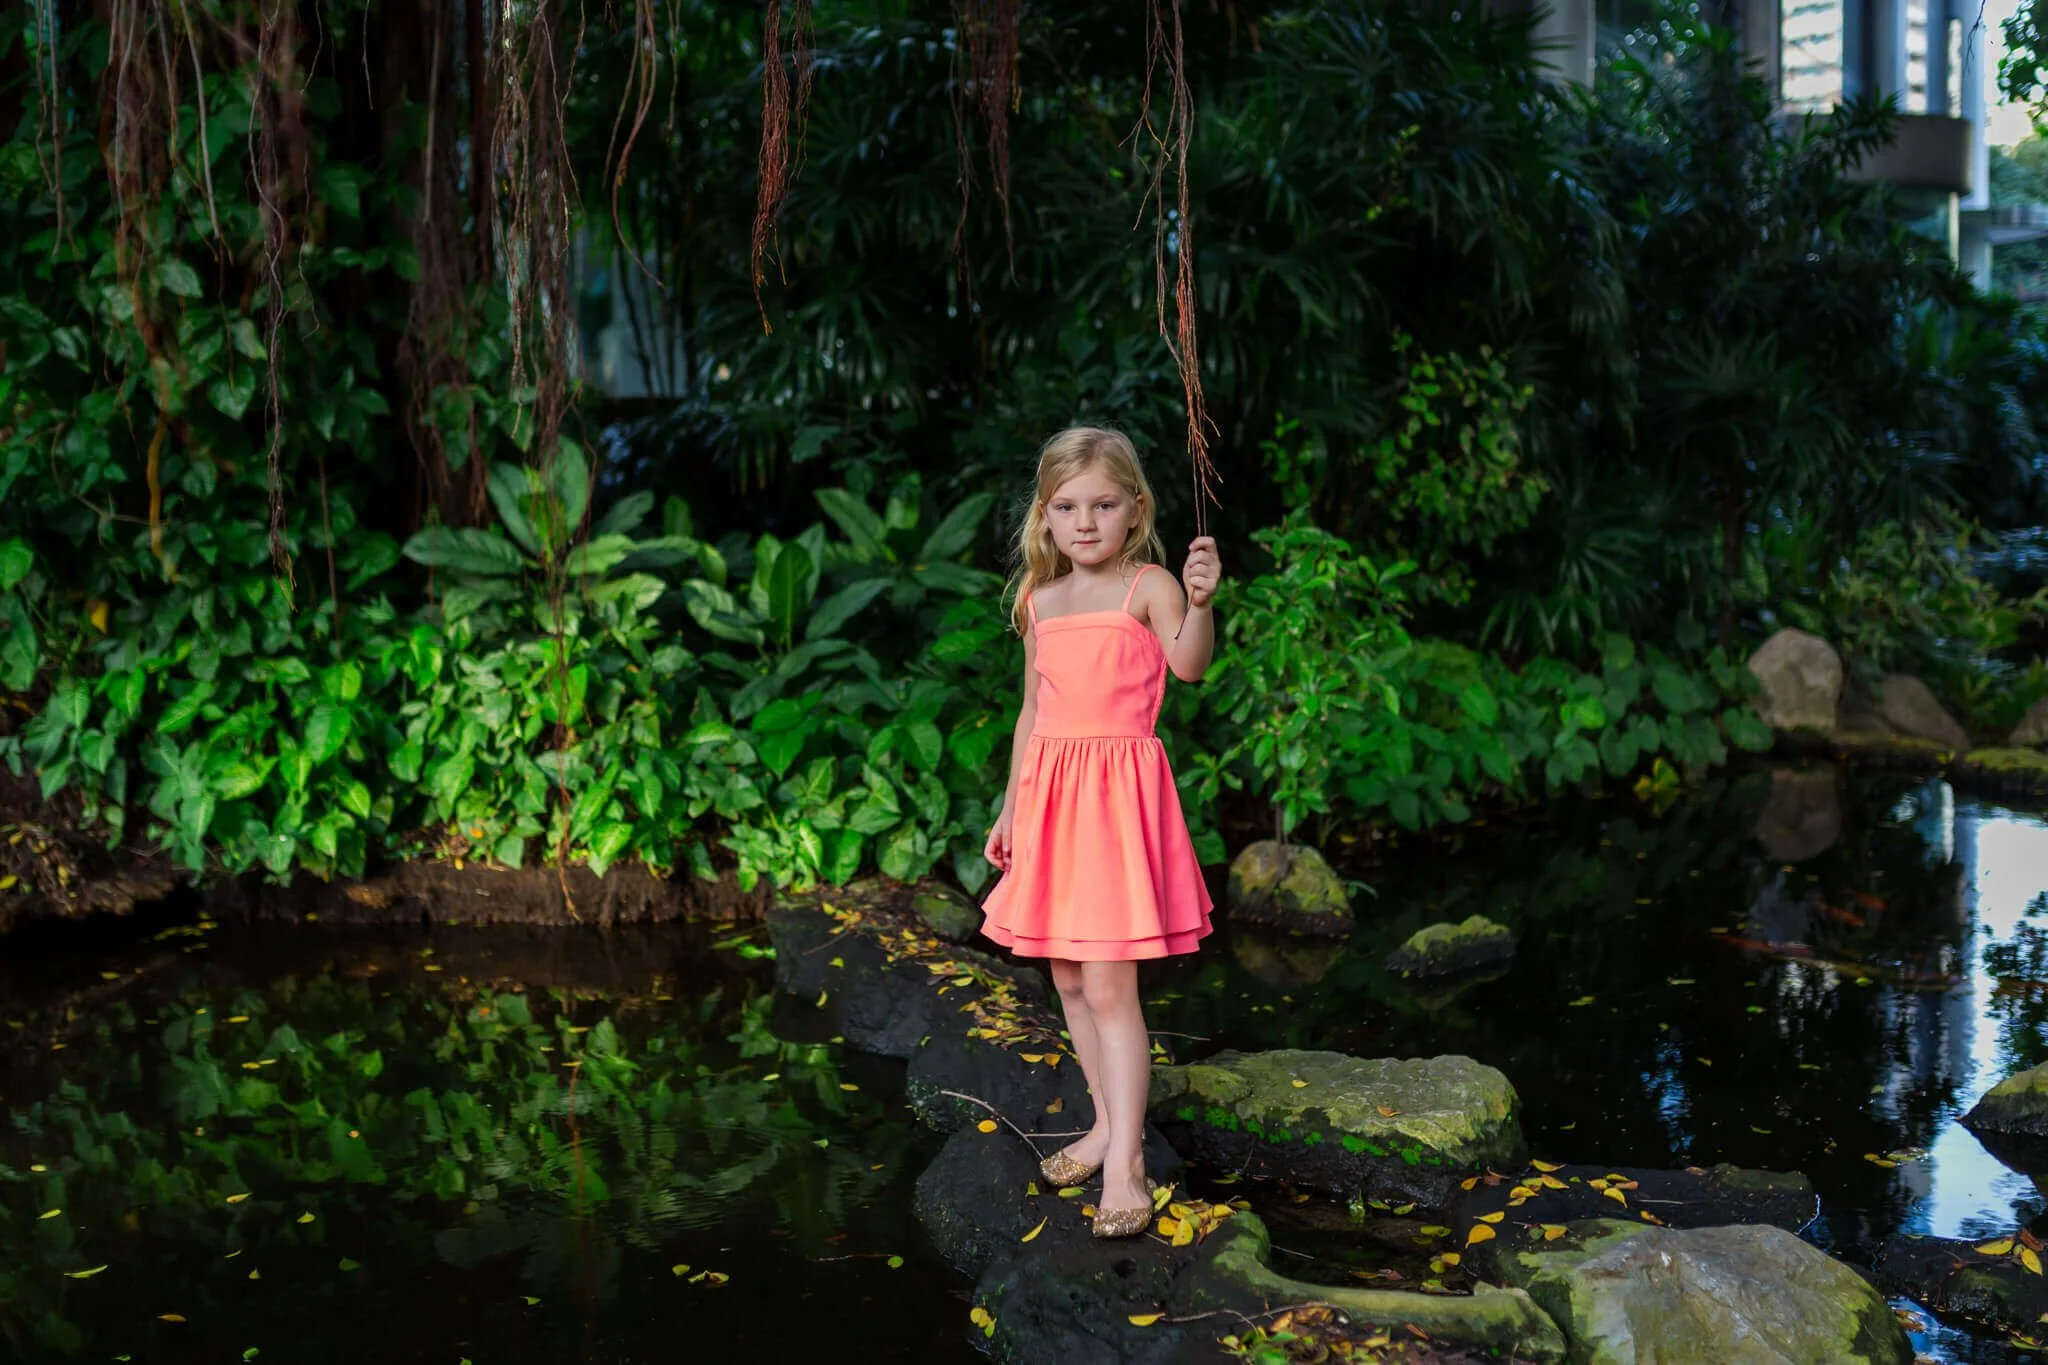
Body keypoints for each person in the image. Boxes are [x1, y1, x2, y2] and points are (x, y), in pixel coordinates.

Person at [980, 425, 1221, 1239]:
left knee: (1112, 983)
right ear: (1045, 517)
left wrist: (1201, 600)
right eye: (1067, 507)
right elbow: (1032, 710)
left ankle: (1127, 1164)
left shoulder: (1147, 586)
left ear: (1135, 509)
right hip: (1052, 801)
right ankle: (1103, 1124)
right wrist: (1012, 805)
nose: (1085, 522)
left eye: (1104, 504)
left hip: (1116, 805)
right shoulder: (1037, 600)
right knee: (1069, 979)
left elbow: (1188, 665)